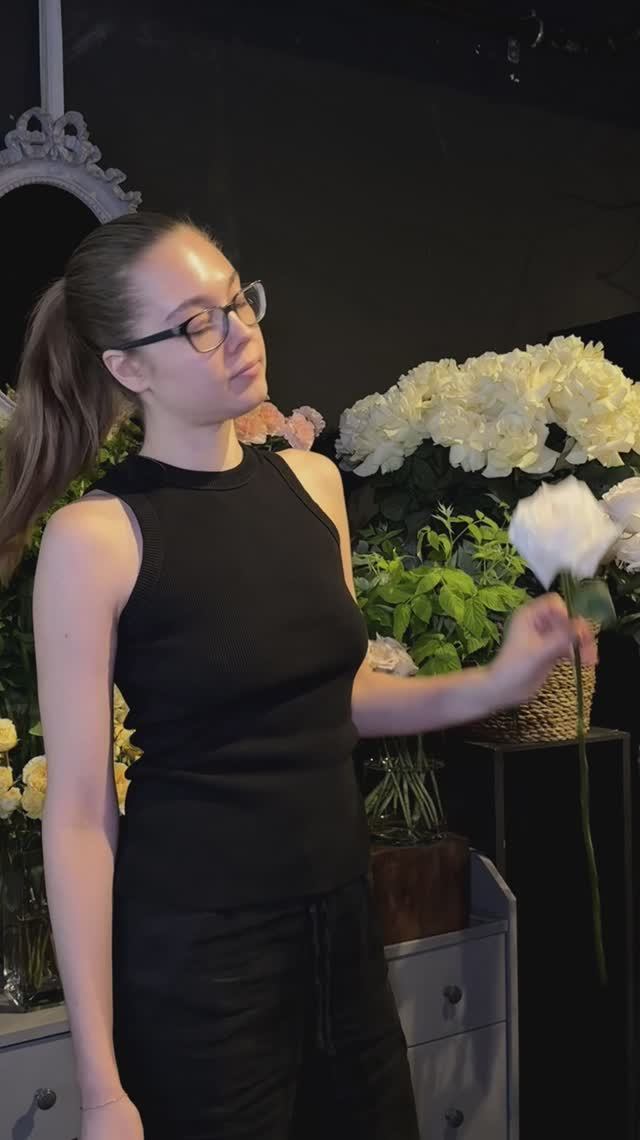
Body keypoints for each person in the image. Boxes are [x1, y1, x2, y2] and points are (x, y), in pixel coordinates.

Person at [0, 212, 595, 1140]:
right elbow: (78, 815)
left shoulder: (310, 486)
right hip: (199, 964)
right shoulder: (96, 538)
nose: (241, 331)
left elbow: (342, 697)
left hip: (345, 929)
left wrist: (496, 681)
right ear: (127, 368)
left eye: (238, 301)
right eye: (198, 324)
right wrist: (101, 1088)